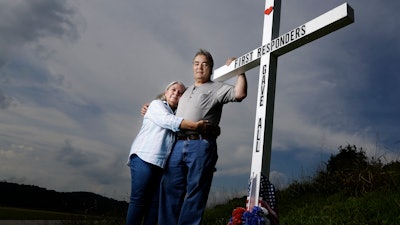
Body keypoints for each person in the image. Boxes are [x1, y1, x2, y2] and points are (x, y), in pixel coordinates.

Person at [158, 49, 247, 225]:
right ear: (192, 67)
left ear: (211, 68)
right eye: (197, 63)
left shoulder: (217, 87)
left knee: (196, 191)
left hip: (200, 144)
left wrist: (240, 71)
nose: (200, 67)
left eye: (204, 64)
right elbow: (168, 107)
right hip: (177, 144)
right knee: (169, 190)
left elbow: (239, 94)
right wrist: (150, 106)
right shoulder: (186, 91)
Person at [126, 81, 209, 225]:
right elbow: (168, 121)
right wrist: (195, 126)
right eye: (173, 90)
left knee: (154, 206)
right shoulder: (156, 105)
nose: (176, 93)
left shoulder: (177, 114)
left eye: (180, 93)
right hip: (144, 157)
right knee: (139, 201)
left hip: (161, 165)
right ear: (166, 92)